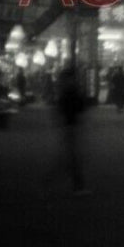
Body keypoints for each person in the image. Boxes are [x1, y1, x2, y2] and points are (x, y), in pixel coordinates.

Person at [54, 63, 89, 195]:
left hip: (69, 125)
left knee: (70, 156)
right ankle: (78, 185)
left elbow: (61, 109)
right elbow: (79, 106)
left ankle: (76, 184)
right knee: (72, 157)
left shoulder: (64, 91)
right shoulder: (71, 91)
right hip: (71, 125)